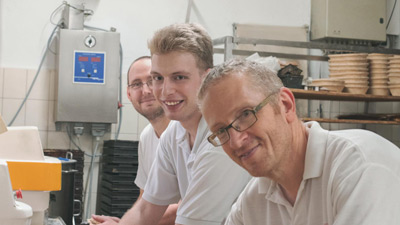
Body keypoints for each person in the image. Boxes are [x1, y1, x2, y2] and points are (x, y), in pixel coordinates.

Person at [197, 58, 400, 225]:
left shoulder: (359, 166)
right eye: (221, 131)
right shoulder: (253, 202)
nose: (236, 142)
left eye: (246, 114)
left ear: (285, 105)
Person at [118, 23, 251, 225]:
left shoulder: (224, 138)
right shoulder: (174, 133)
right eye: (158, 78)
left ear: (207, 79)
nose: (165, 90)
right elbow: (146, 211)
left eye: (179, 77)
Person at [91, 56, 177, 225]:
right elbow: (145, 199)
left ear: (164, 85)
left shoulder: (184, 132)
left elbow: (187, 206)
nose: (145, 91)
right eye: (137, 84)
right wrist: (124, 221)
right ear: (129, 94)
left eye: (152, 80)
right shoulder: (147, 137)